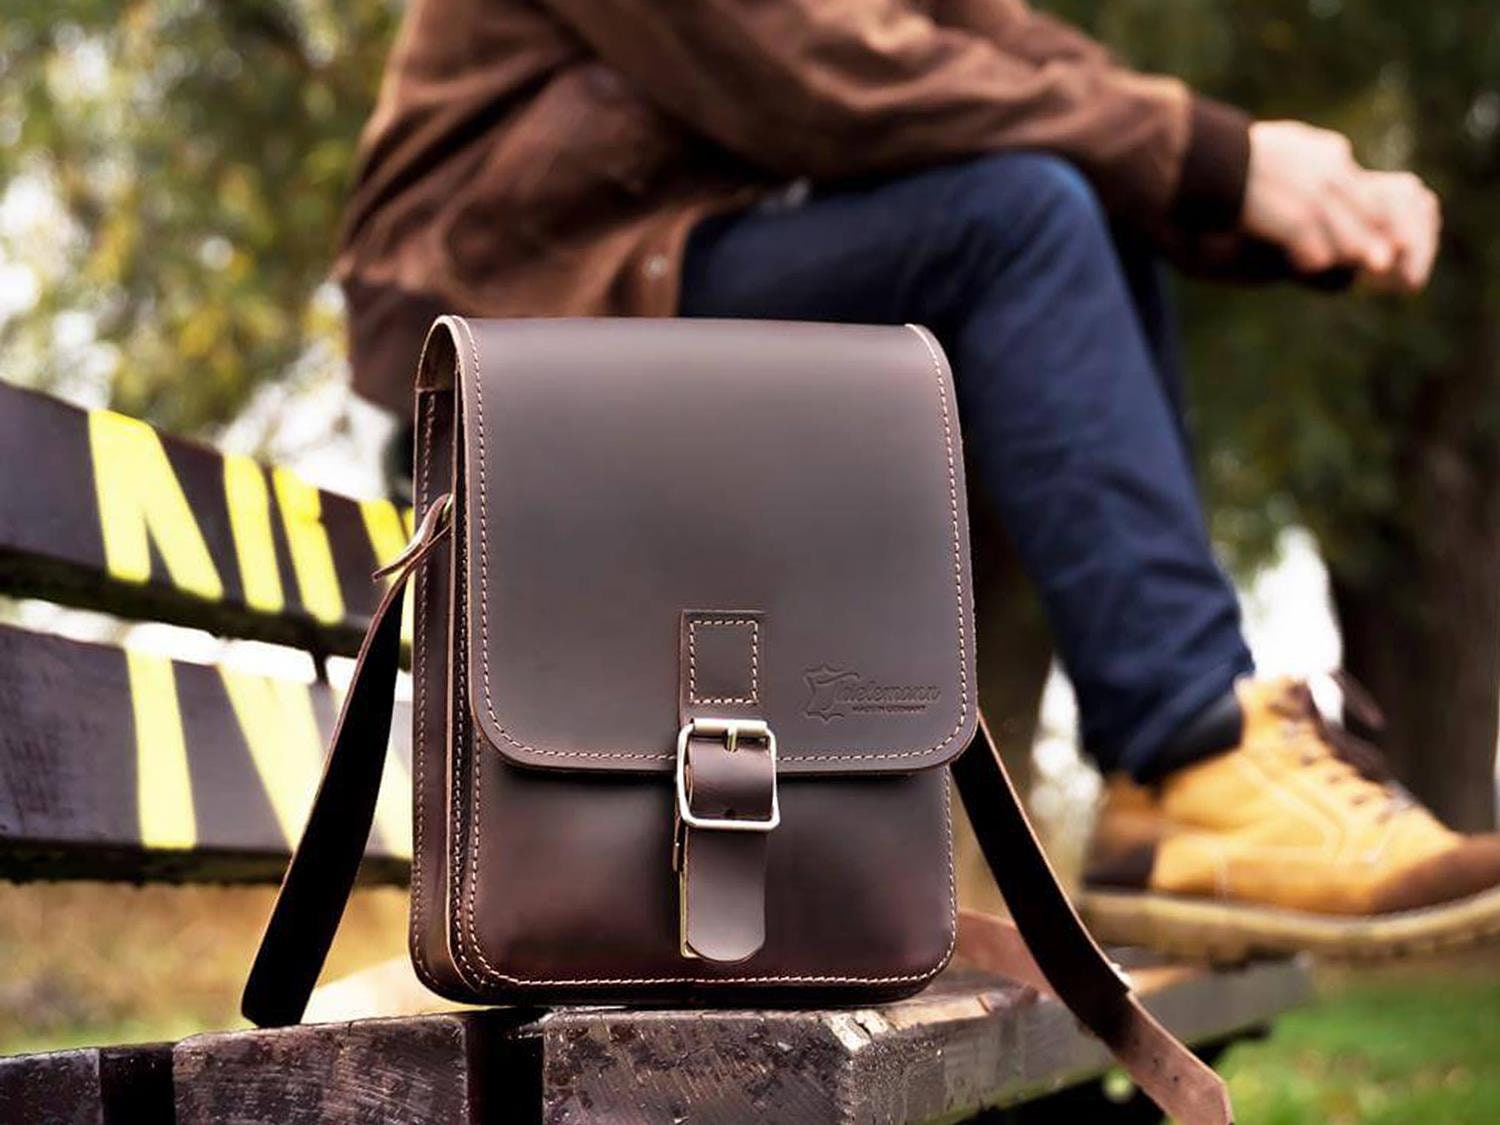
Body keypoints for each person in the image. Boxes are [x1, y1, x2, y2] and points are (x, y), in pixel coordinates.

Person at [335, 0, 1498, 960]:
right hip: (515, 325)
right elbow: (818, 71)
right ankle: (1188, 753)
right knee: (1026, 217)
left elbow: (1009, 54)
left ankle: (1180, 783)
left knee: (1077, 198)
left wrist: (1267, 185)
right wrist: (1217, 159)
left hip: (677, 261)